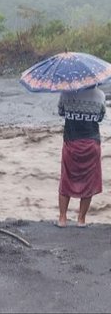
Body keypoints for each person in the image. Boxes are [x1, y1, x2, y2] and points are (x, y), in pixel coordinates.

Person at [56, 86, 106, 228]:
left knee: (66, 179)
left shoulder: (66, 93)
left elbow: (61, 112)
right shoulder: (100, 95)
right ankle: (81, 220)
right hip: (91, 144)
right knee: (89, 181)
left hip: (71, 142)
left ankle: (62, 219)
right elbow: (100, 117)